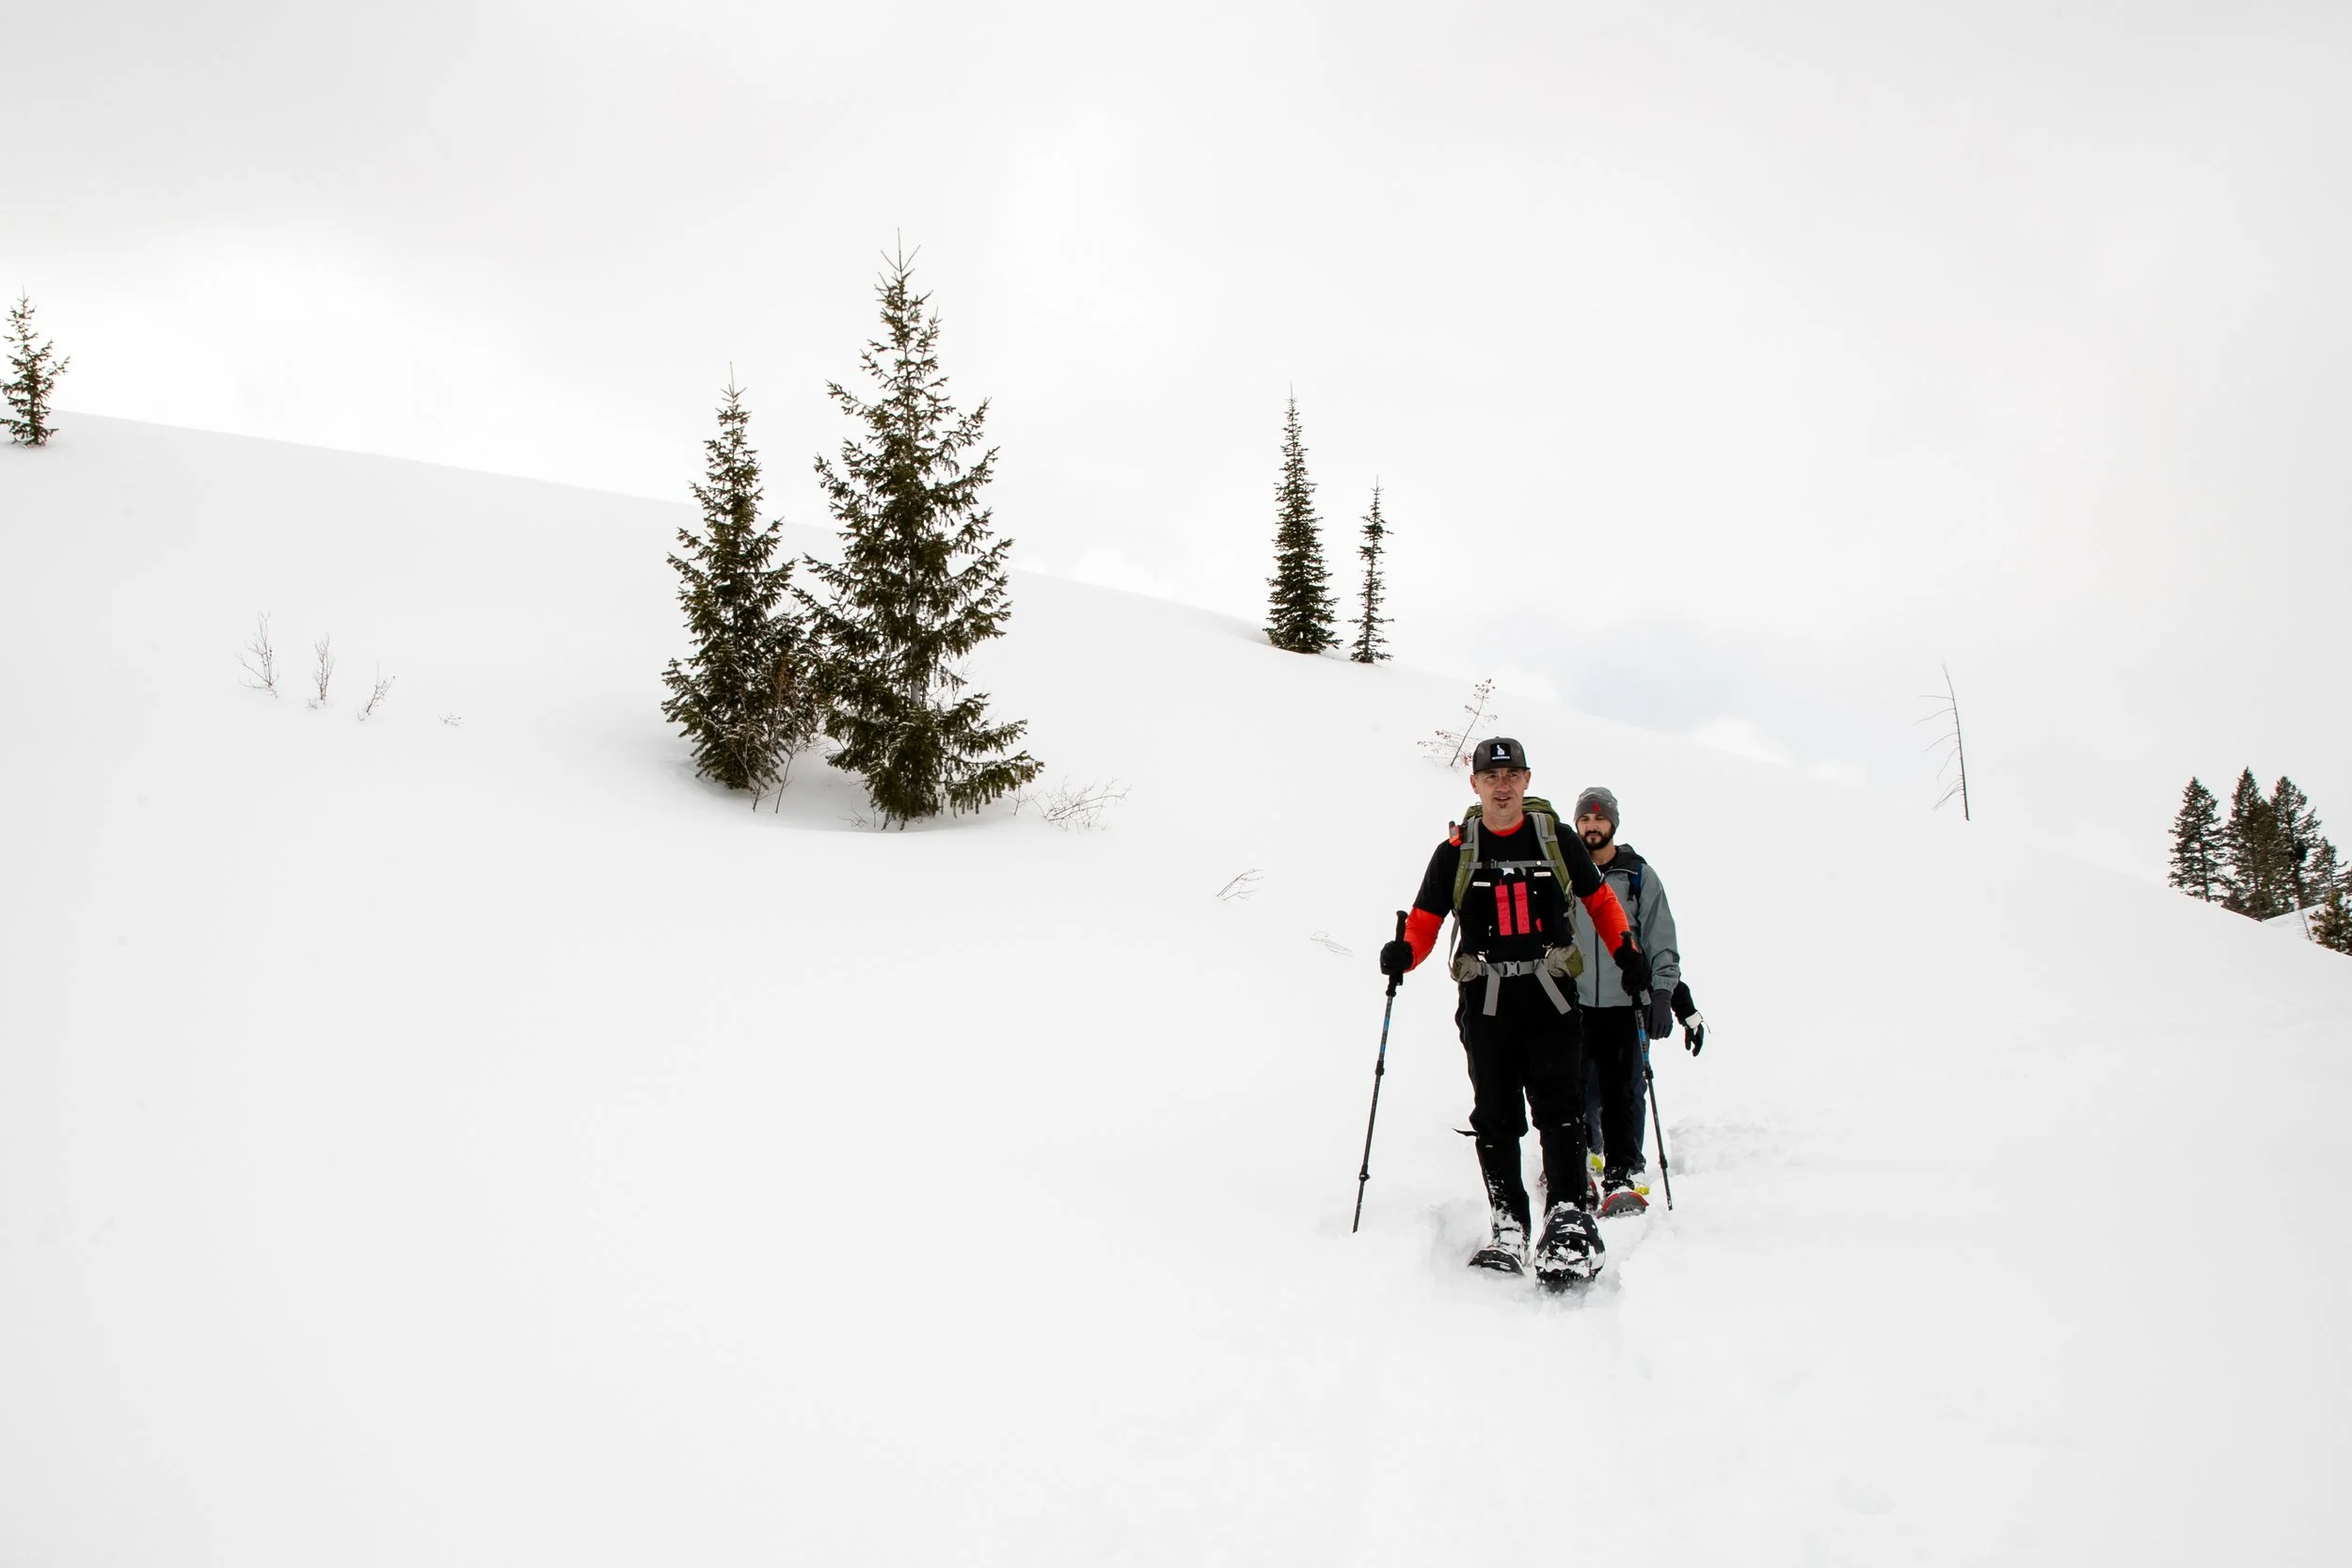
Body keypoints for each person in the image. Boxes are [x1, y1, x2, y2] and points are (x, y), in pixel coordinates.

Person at [1378, 737, 1653, 1288]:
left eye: (1511, 776)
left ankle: (1568, 1218)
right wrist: (1405, 953)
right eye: (1491, 777)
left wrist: (1626, 951)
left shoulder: (1557, 839)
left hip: (1551, 997)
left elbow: (1600, 900)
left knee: (1561, 1108)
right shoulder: (1456, 851)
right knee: (1495, 1114)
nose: (1502, 786)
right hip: (1486, 1003)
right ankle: (1509, 1227)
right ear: (1475, 784)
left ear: (1526, 780)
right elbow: (1427, 918)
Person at [1567, 785, 1705, 1214]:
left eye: (1599, 818)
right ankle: (1578, 1162)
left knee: (1624, 1091)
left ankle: (1623, 1173)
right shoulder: (1565, 874)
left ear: (1613, 824)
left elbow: (1661, 942)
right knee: (1572, 1089)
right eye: (1585, 819)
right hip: (1573, 1001)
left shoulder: (1639, 876)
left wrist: (1664, 995)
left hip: (1626, 1003)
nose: (1592, 826)